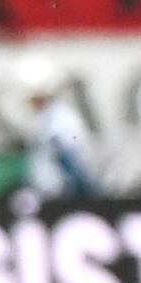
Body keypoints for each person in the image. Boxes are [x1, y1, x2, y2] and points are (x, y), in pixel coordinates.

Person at [18, 52, 101, 198]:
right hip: (47, 193)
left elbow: (71, 158)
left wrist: (83, 191)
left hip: (62, 194)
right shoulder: (45, 119)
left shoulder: (62, 120)